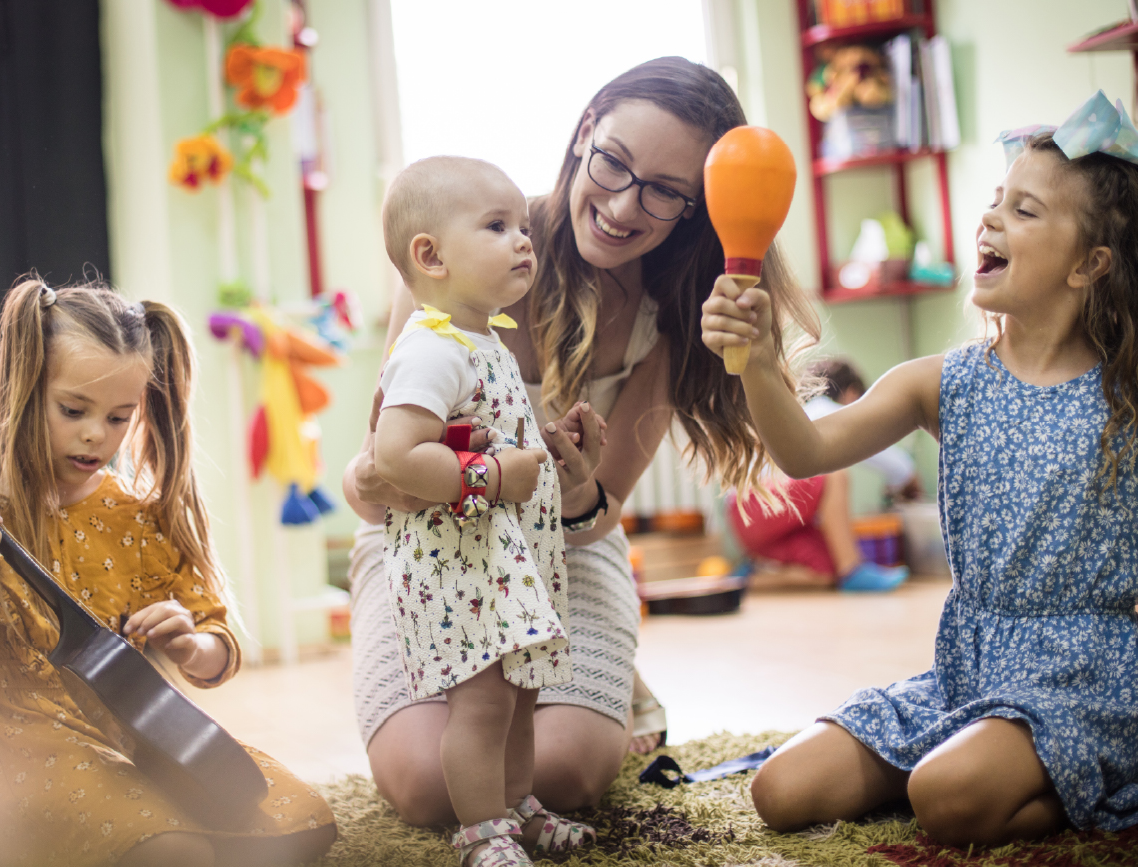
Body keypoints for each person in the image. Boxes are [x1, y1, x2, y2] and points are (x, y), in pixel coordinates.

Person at [342, 56, 822, 829]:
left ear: (698, 208)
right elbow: (384, 479)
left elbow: (600, 514)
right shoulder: (451, 252)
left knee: (558, 774)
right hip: (428, 547)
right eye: (616, 163)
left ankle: (601, 672)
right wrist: (390, 479)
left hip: (560, 551)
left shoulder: (668, 315)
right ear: (585, 131)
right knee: (434, 787)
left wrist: (572, 490)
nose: (626, 204)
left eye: (666, 191)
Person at [701, 92, 1138, 845]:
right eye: (995, 201)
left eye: (1024, 211)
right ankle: (976, 768)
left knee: (942, 798)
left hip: (1089, 678)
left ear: (1089, 264)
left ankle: (1080, 783)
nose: (989, 219)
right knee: (780, 788)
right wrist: (759, 366)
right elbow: (803, 452)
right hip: (967, 668)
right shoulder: (943, 380)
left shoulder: (1125, 396)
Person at [0, 279, 336, 867]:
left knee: (298, 821)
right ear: (25, 388)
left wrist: (191, 644)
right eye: (73, 411)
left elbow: (216, 644)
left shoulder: (136, 515)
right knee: (174, 849)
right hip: (13, 740)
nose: (98, 434)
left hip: (133, 733)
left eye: (120, 417)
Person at [373, 156, 598, 864]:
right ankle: (482, 831)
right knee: (482, 703)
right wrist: (497, 473)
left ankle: (516, 803)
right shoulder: (429, 349)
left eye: (523, 226)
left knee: (521, 695)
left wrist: (548, 448)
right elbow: (397, 457)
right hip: (458, 565)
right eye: (498, 227)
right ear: (429, 255)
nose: (523, 241)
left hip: (503, 562)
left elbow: (481, 429)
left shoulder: (482, 338)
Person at [727, 358, 915, 591]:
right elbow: (899, 466)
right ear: (852, 394)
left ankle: (746, 578)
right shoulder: (823, 409)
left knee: (826, 572)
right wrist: (911, 482)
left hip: (754, 523)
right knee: (834, 475)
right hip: (754, 506)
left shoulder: (799, 414)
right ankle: (853, 571)